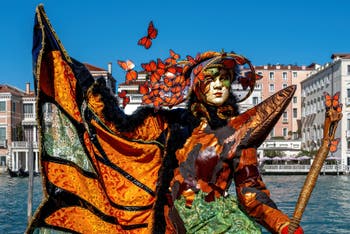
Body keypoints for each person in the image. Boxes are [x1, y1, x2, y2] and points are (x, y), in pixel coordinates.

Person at [28, 6, 304, 234]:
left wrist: (281, 224)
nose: (220, 85)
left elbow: (251, 193)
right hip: (169, 219)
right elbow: (123, 133)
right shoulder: (172, 124)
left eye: (225, 79)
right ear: (199, 86)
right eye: (212, 79)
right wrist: (88, 87)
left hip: (219, 221)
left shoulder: (239, 133)